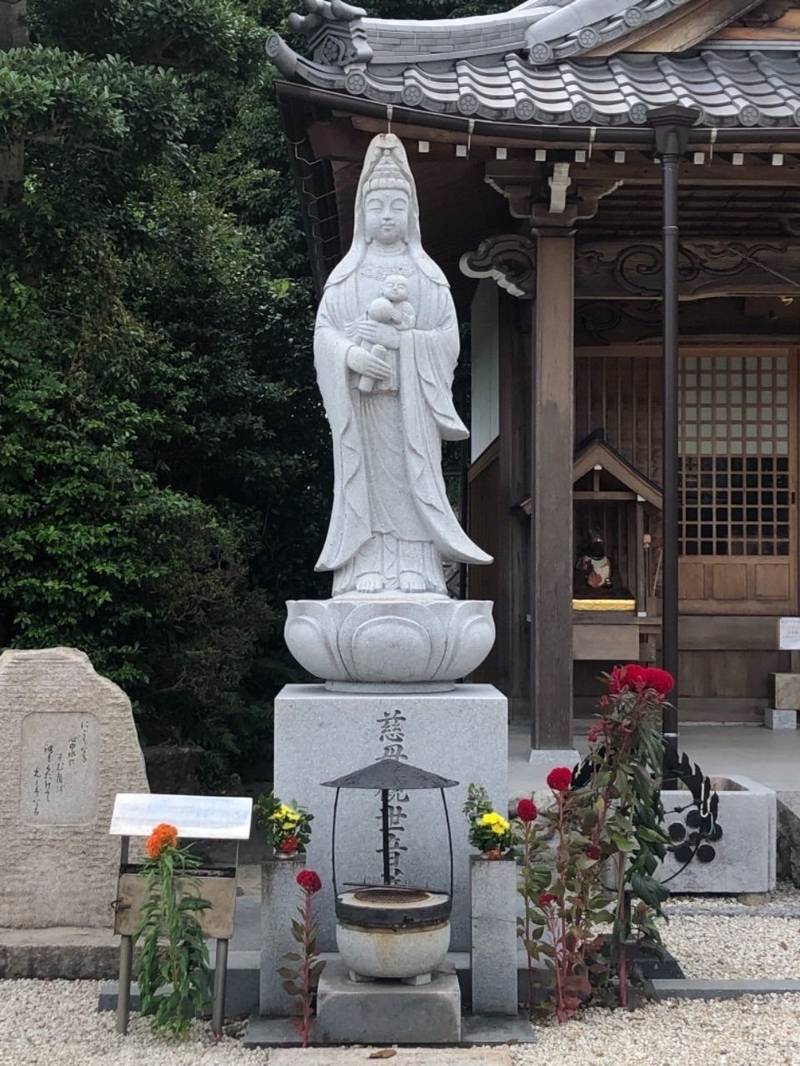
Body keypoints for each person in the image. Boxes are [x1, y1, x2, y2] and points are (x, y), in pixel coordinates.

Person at [313, 133, 492, 595]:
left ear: (412, 213)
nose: (387, 215)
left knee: (412, 482)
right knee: (366, 485)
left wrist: (402, 341)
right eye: (377, 206)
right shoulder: (345, 276)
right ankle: (363, 569)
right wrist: (351, 355)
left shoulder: (427, 276)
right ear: (362, 214)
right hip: (365, 409)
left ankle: (415, 568)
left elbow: (448, 341)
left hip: (410, 407)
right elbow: (325, 334)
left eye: (396, 205)